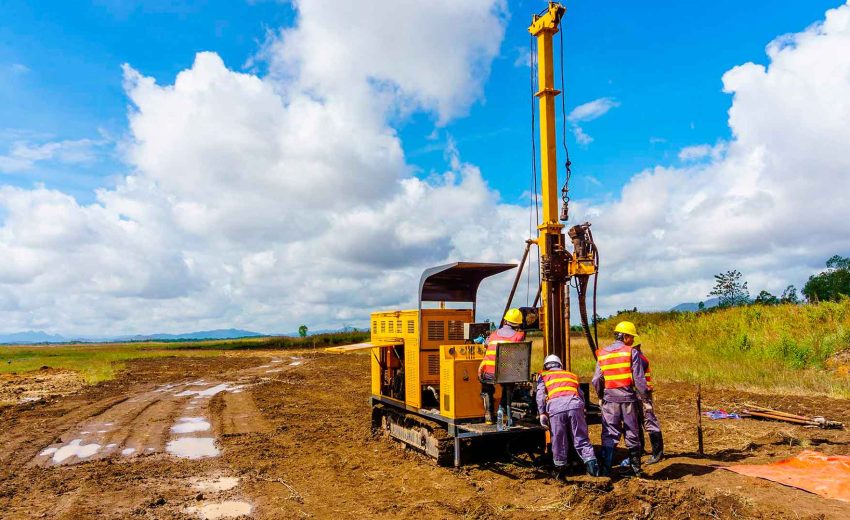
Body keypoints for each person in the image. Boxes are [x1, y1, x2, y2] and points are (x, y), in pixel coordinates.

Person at [591, 320, 649, 477]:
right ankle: (636, 469)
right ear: (624, 336)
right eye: (630, 337)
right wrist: (645, 399)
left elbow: (596, 379)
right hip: (628, 399)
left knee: (609, 433)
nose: (632, 341)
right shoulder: (632, 352)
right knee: (632, 432)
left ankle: (605, 469)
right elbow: (639, 379)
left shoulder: (602, 353)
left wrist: (601, 395)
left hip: (610, 400)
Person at [536, 354, 599, 478]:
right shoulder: (571, 375)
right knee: (581, 438)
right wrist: (582, 409)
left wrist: (542, 412)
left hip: (556, 408)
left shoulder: (543, 376)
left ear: (546, 366)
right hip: (575, 406)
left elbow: (540, 395)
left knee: (558, 440)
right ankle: (593, 470)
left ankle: (560, 472)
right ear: (560, 365)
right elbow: (580, 394)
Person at [478, 308, 526, 427]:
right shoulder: (519, 336)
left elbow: (485, 344)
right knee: (508, 385)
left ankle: (489, 415)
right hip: (506, 373)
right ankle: (503, 410)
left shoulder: (493, 335)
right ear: (518, 324)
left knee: (487, 387)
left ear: (505, 321)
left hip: (489, 373)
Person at [634, 336, 664, 464]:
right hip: (638, 393)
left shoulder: (638, 359)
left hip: (642, 394)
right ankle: (641, 450)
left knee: (648, 421)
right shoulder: (639, 356)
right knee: (636, 421)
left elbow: (638, 380)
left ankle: (657, 453)